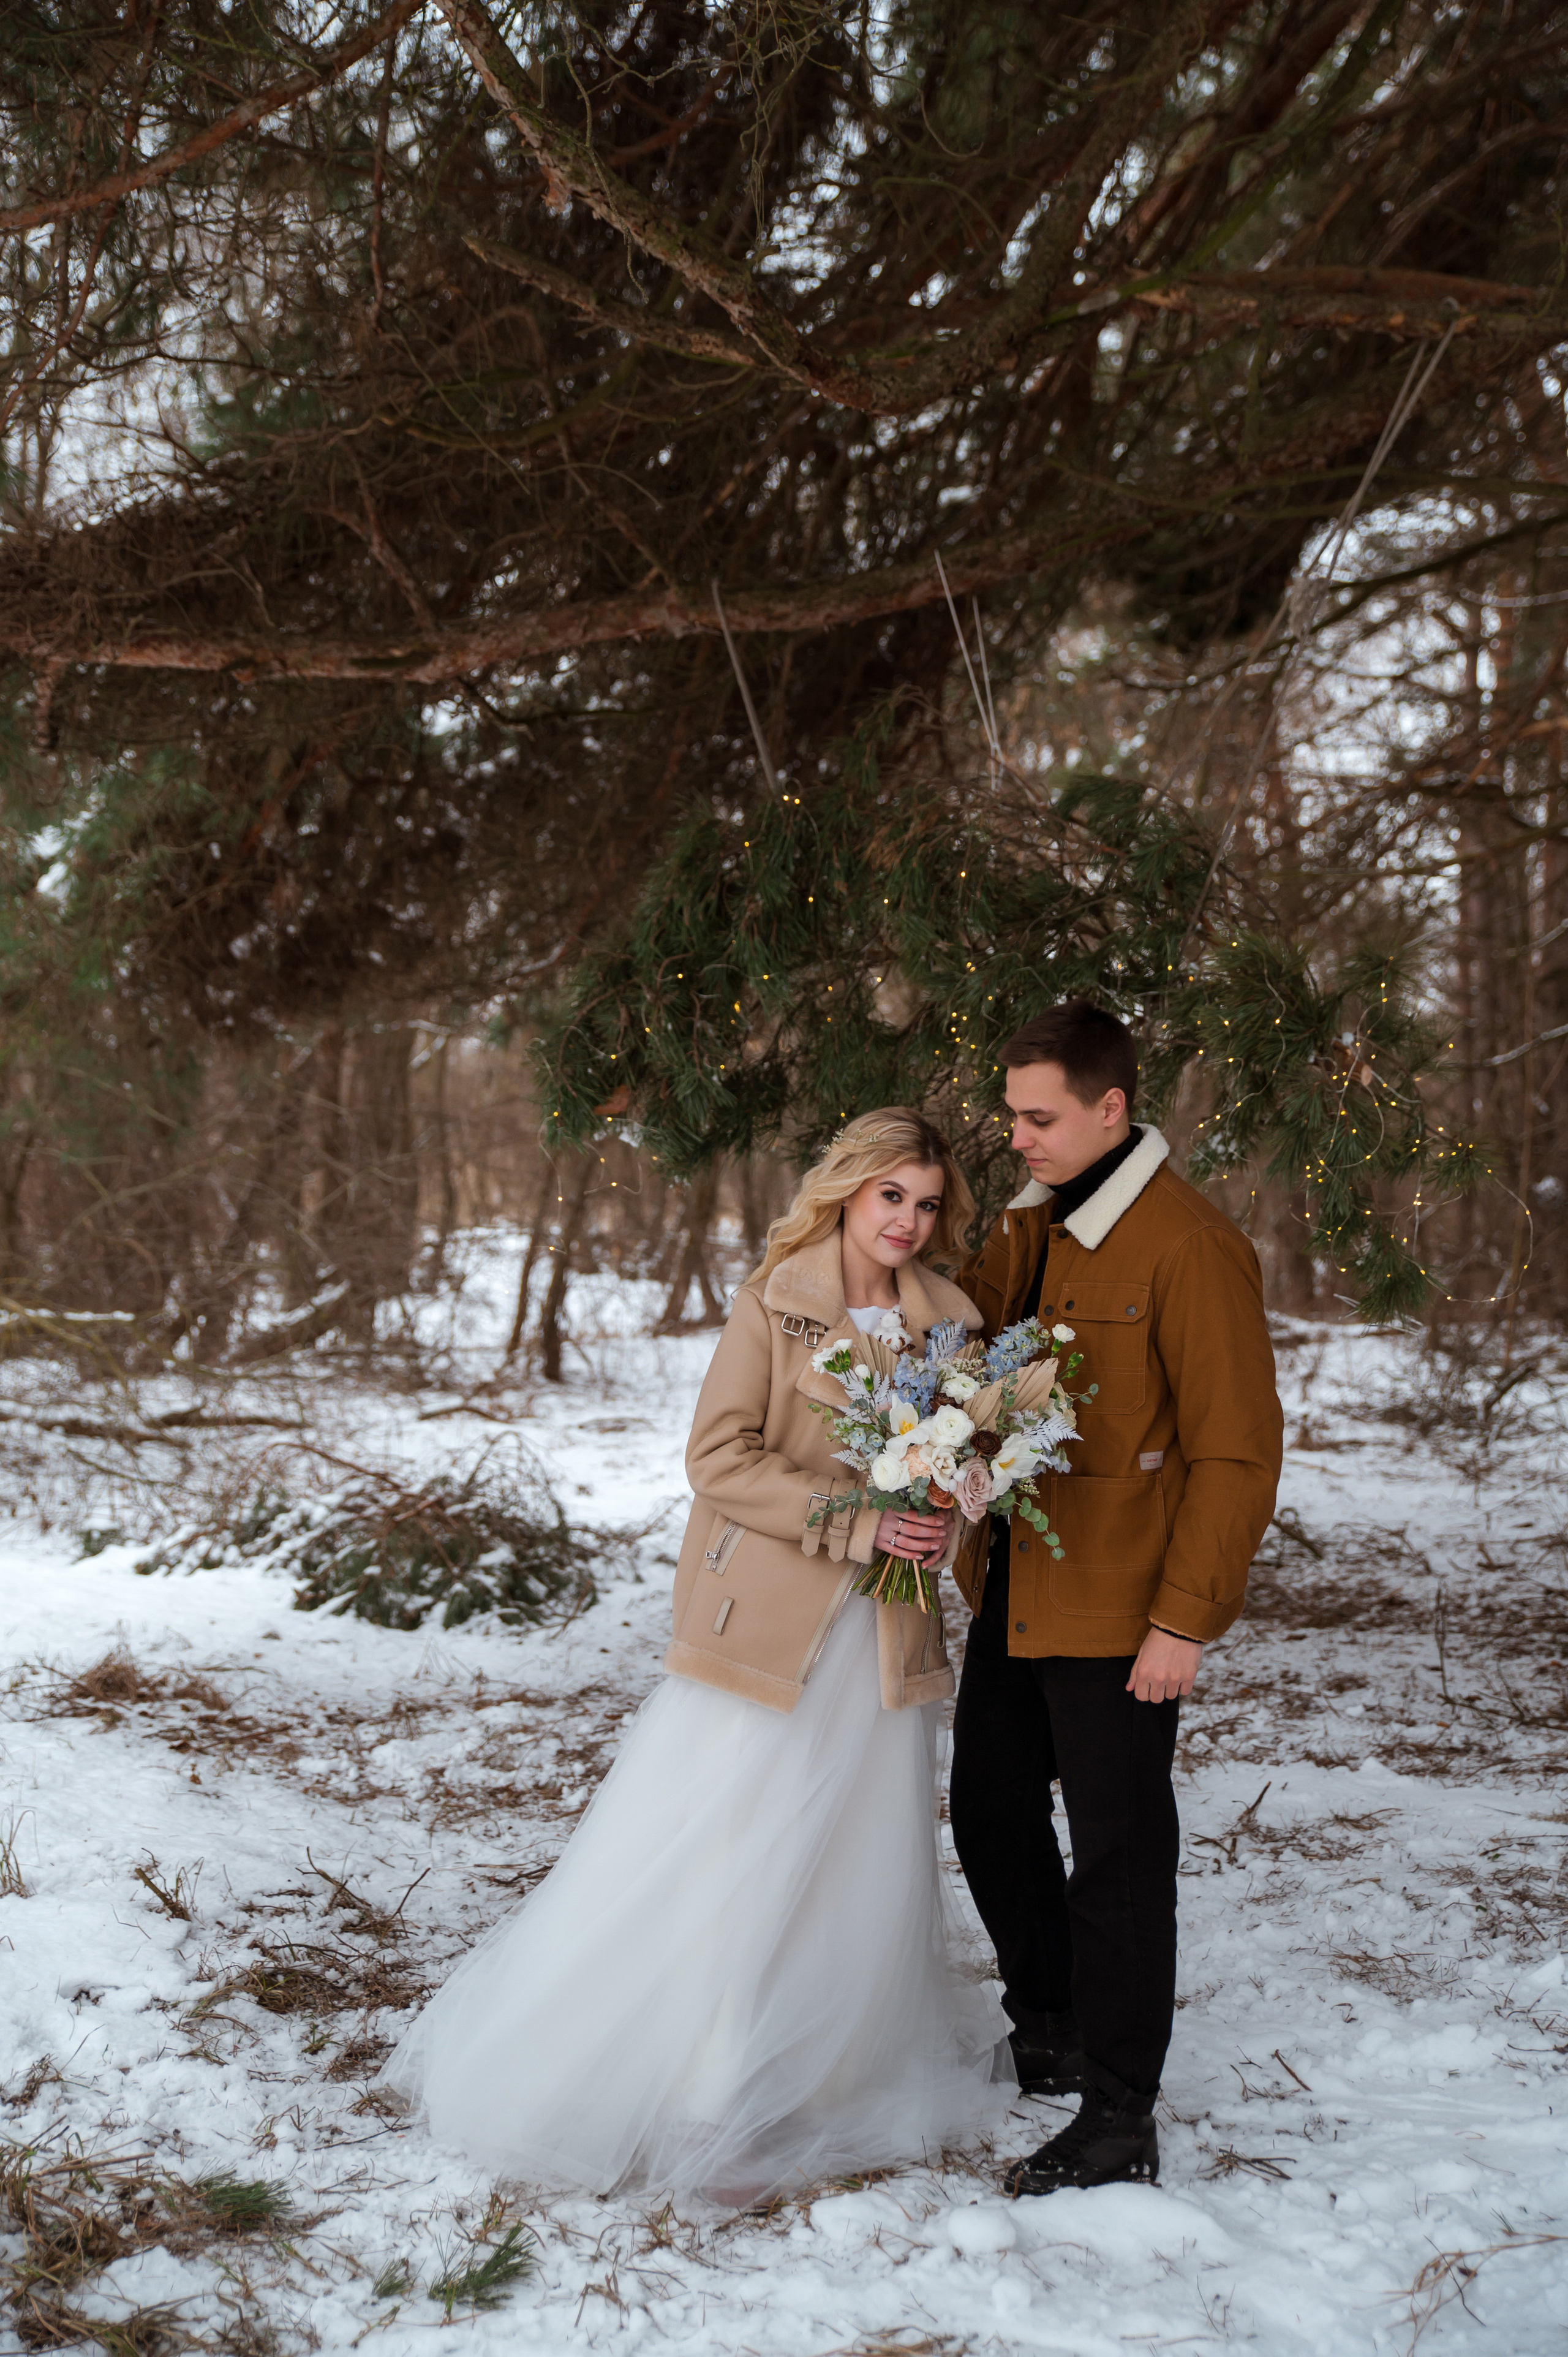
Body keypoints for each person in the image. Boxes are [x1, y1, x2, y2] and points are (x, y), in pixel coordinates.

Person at [383, 1108, 1008, 2206]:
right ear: (849, 1194)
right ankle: (713, 2096)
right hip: (768, 1625)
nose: (908, 1220)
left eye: (925, 1201)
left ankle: (817, 2075)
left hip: (885, 1631)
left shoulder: (952, 1322)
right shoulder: (778, 1302)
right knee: (737, 1860)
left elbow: (969, 1458)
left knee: (856, 1858)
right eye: (889, 1197)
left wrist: (960, 1494)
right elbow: (717, 1458)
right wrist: (856, 1517)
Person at [949, 999, 1283, 2196]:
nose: (1018, 1136)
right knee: (986, 1808)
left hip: (1124, 1611)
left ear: (1109, 1109)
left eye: (1039, 1117)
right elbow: (967, 1351)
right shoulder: (1027, 1229)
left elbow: (1238, 1452)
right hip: (1016, 1585)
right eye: (1011, 1116)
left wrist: (1181, 1620)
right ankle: (1048, 2020)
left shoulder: (1186, 1245)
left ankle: (1116, 2114)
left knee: (1119, 1859)